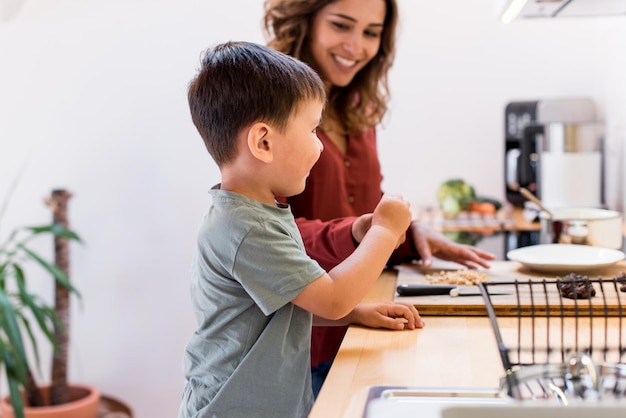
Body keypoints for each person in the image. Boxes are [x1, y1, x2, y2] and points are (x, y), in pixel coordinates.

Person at [263, 0, 497, 396]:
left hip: (357, 323)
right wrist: (364, 230)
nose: (356, 46)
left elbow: (366, 204)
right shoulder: (269, 103)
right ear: (305, 22)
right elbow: (263, 229)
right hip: (303, 340)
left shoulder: (358, 104)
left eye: (371, 33)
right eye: (342, 25)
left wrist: (408, 234)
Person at [178, 40, 418, 418]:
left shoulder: (259, 213)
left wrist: (354, 314)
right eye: (312, 130)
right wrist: (385, 233)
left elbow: (284, 304)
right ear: (263, 142)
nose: (320, 147)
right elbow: (332, 296)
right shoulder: (245, 228)